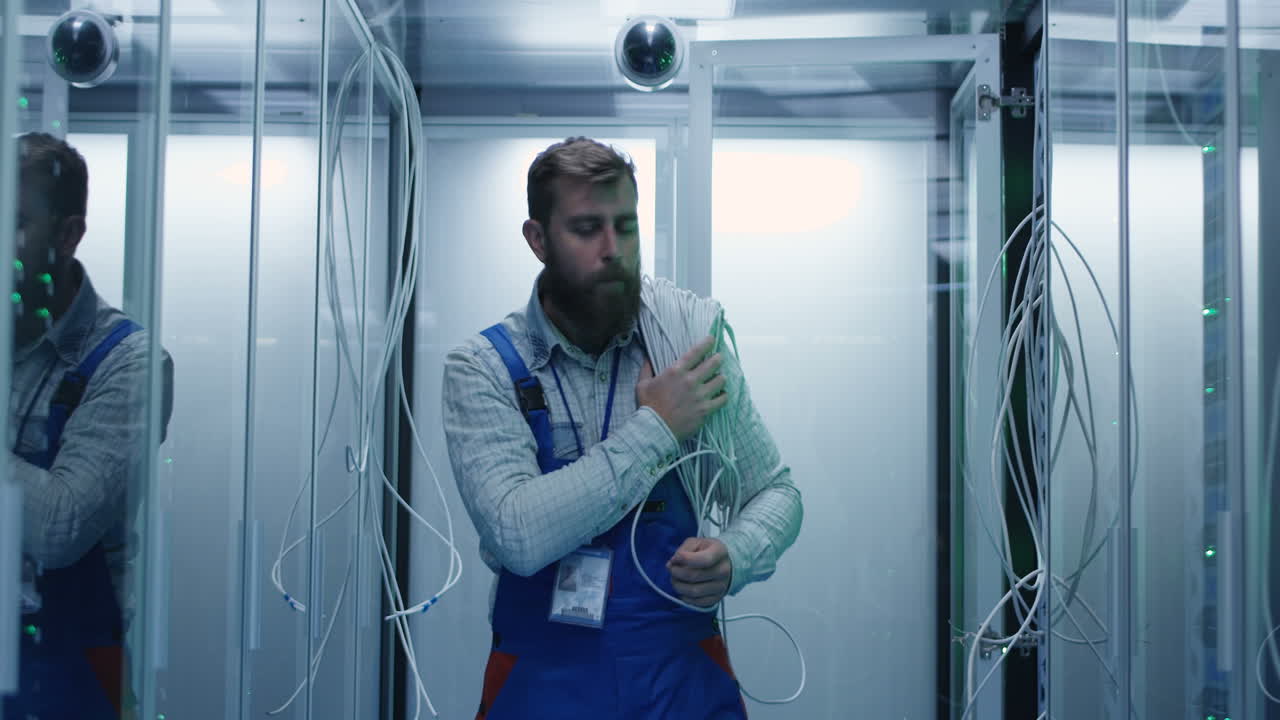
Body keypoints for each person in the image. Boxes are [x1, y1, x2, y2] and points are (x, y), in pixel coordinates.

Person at [441, 137, 802, 719]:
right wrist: (658, 425)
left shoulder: (686, 345)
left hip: (680, 685)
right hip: (542, 689)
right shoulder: (483, 370)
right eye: (587, 229)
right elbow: (519, 535)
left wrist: (736, 554)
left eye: (625, 226)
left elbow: (776, 492)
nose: (614, 250)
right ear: (538, 240)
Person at [6, 132, 174, 719]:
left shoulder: (128, 362)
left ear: (68, 234)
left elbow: (61, 524)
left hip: (69, 679)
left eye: (16, 221)